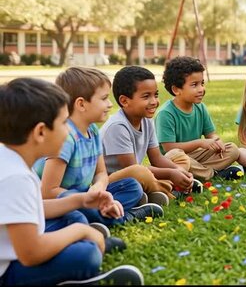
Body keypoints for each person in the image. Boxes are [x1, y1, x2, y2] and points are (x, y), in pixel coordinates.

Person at [0, 78, 143, 285]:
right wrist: (81, 231)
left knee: (69, 217)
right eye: (63, 123)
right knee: (85, 256)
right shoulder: (15, 177)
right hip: (7, 272)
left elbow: (34, 209)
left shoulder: (12, 159)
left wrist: (81, 201)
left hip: (15, 246)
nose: (68, 131)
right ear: (40, 132)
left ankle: (89, 239)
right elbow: (31, 253)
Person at [33, 67, 163, 229]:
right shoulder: (64, 138)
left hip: (86, 195)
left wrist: (98, 189)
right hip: (61, 201)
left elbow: (101, 173)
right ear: (81, 104)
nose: (110, 104)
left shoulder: (92, 131)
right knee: (76, 214)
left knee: (132, 186)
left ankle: (103, 215)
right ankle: (126, 216)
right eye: (104, 99)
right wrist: (85, 199)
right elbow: (48, 191)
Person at [100, 66, 203, 206]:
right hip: (114, 183)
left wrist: (177, 170)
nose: (154, 101)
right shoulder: (117, 126)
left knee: (178, 156)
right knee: (140, 172)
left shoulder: (147, 121)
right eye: (146, 96)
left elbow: (157, 158)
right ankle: (170, 190)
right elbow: (131, 168)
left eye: (155, 94)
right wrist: (171, 174)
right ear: (124, 101)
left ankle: (155, 191)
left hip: (140, 175)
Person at [155, 56, 243, 181]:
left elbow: (211, 135)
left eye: (202, 83)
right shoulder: (165, 113)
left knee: (232, 149)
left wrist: (216, 142)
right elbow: (169, 148)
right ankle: (212, 173)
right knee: (177, 157)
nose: (201, 89)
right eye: (194, 85)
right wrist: (200, 143)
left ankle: (201, 173)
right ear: (176, 89)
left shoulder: (200, 108)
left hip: (196, 157)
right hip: (175, 159)